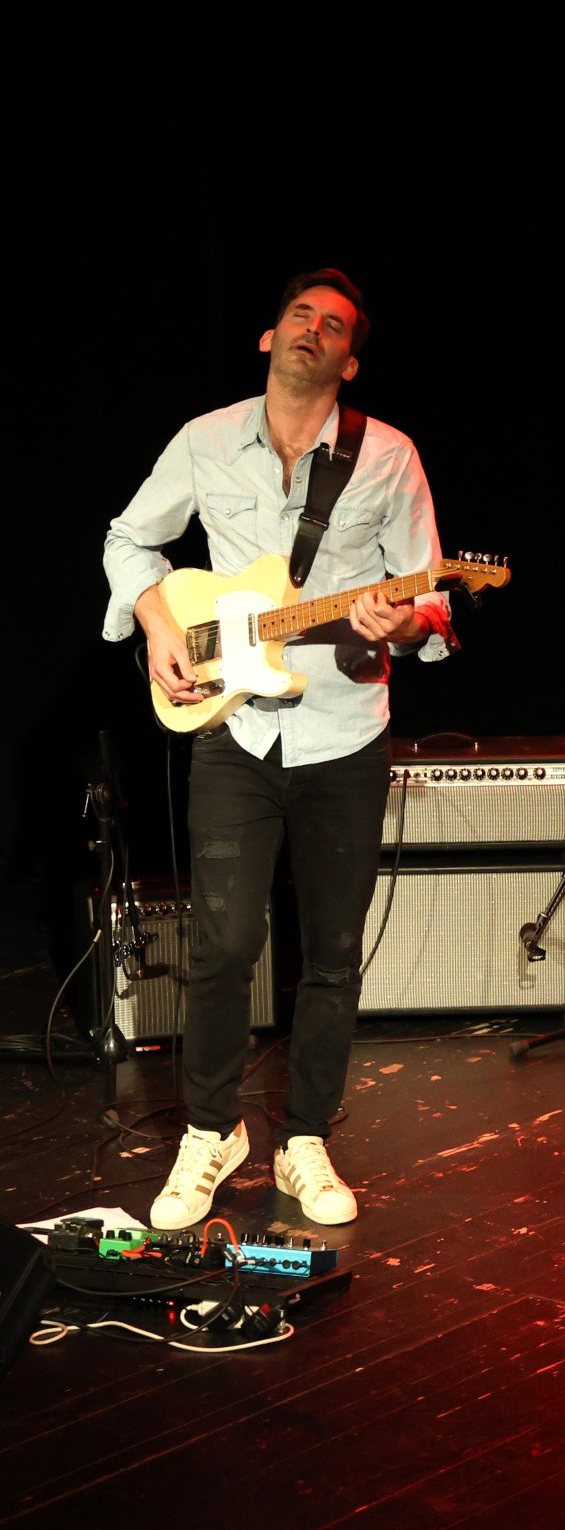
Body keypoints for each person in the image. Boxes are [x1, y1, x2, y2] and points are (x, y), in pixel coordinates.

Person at [103, 269, 454, 1230]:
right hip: (236, 727)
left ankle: (304, 1138)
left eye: (335, 325)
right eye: (301, 315)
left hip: (345, 730)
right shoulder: (207, 439)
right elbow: (129, 540)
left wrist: (404, 620)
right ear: (269, 338)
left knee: (333, 953)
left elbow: (431, 598)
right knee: (221, 946)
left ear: (351, 359)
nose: (314, 329)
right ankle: (210, 1130)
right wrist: (156, 621)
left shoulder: (389, 455)